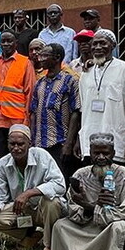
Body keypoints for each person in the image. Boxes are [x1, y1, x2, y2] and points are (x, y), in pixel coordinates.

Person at [49, 132, 125, 250]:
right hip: (86, 225)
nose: (101, 157)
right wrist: (86, 208)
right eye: (96, 153)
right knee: (60, 226)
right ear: (90, 153)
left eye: (106, 153)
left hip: (110, 225)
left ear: (113, 153)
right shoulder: (80, 175)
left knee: (121, 228)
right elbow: (72, 210)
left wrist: (91, 206)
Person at [0, 124, 65, 250]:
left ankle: (49, 246)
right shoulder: (3, 164)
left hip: (43, 210)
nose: (16, 148)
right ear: (7, 144)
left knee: (51, 202)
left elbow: (59, 185)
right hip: (23, 210)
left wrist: (29, 193)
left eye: (20, 144)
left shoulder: (42, 156)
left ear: (29, 144)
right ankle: (31, 235)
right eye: (12, 144)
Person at [74, 29, 125, 165]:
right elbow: (82, 111)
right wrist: (79, 139)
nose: (98, 47)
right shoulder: (86, 73)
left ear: (113, 46)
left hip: (117, 141)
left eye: (103, 43)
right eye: (94, 44)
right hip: (89, 141)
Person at [30, 42, 81, 173]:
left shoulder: (70, 81)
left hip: (59, 143)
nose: (40, 59)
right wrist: (32, 140)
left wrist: (69, 144)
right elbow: (33, 112)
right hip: (40, 143)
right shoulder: (39, 83)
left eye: (44, 55)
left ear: (57, 58)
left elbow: (76, 112)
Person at [0, 31, 35, 158]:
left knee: (17, 155)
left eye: (9, 41)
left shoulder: (25, 62)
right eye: (3, 41)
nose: (6, 44)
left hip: (16, 119)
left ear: (16, 43)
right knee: (0, 156)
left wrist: (27, 118)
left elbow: (30, 92)